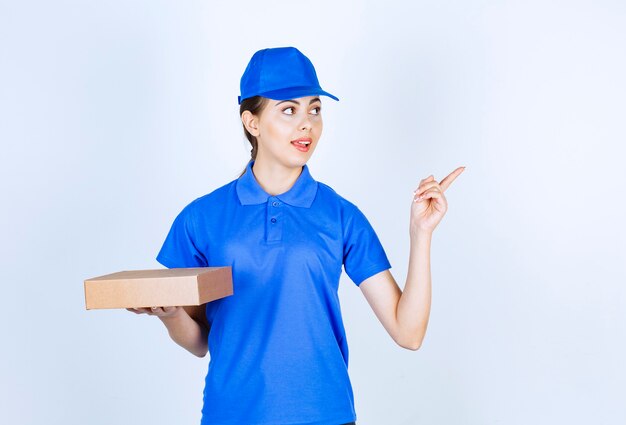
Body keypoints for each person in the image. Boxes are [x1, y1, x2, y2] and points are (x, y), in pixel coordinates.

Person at [127, 46, 464, 425]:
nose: (307, 124)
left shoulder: (340, 216)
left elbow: (409, 332)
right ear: (251, 122)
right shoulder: (202, 218)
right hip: (232, 415)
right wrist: (171, 314)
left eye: (314, 109)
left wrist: (421, 234)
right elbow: (200, 341)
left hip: (326, 415)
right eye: (289, 109)